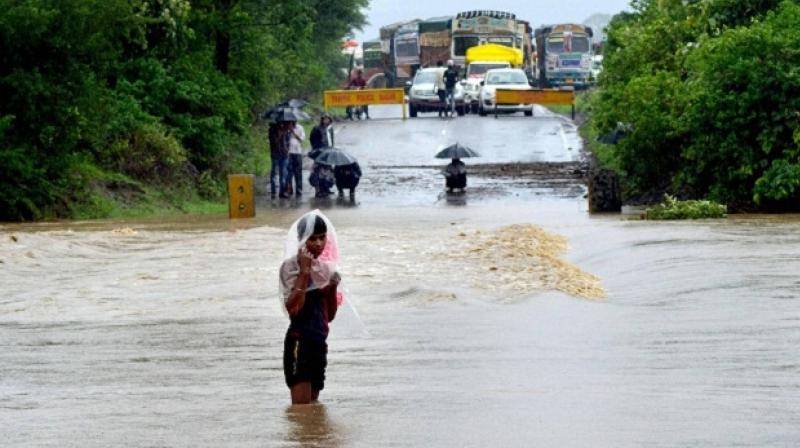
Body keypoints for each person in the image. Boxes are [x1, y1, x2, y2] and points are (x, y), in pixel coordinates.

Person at [280, 212, 341, 405]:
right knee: (301, 410)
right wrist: (305, 271)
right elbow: (293, 310)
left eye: (322, 238)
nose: (318, 243)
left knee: (313, 409)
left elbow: (329, 316)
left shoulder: (326, 269)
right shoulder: (290, 268)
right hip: (300, 342)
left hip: (318, 343)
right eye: (312, 239)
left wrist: (331, 289)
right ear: (301, 240)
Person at [309, 114, 335, 198]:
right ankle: (318, 190)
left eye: (328, 119)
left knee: (328, 171)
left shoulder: (330, 129)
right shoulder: (317, 128)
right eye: (325, 119)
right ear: (322, 120)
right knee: (318, 171)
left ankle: (326, 188)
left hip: (329, 152)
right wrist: (317, 149)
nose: (326, 121)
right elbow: (312, 139)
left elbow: (331, 140)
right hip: (320, 152)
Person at [285, 121, 306, 197]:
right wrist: (288, 131)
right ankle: (289, 189)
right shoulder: (286, 128)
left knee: (298, 173)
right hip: (289, 153)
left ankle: (299, 190)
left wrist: (293, 132)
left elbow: (302, 139)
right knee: (289, 173)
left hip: (298, 153)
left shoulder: (300, 128)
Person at [271, 122, 291, 199]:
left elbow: (288, 142)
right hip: (275, 154)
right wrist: (279, 135)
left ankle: (282, 192)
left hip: (284, 155)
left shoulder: (286, 130)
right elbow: (273, 142)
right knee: (274, 173)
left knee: (283, 174)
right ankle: (273, 191)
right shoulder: (272, 130)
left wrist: (287, 149)